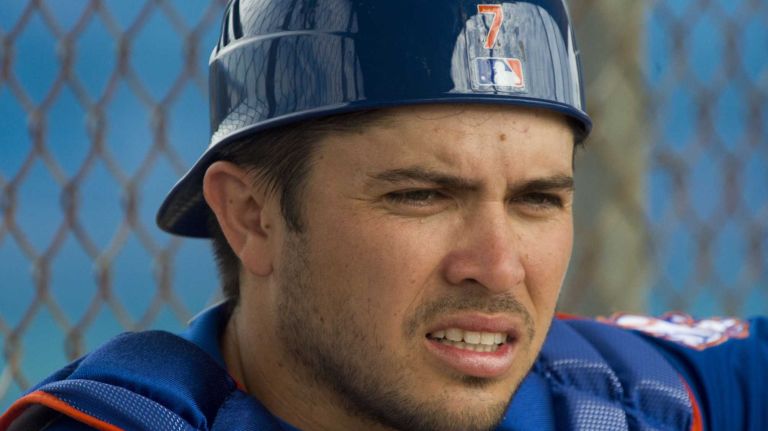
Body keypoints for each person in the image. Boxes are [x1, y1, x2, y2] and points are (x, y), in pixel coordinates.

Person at [1, 1, 766, 430]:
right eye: (422, 195)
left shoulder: (631, 397)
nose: (500, 266)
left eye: (538, 198)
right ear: (251, 216)